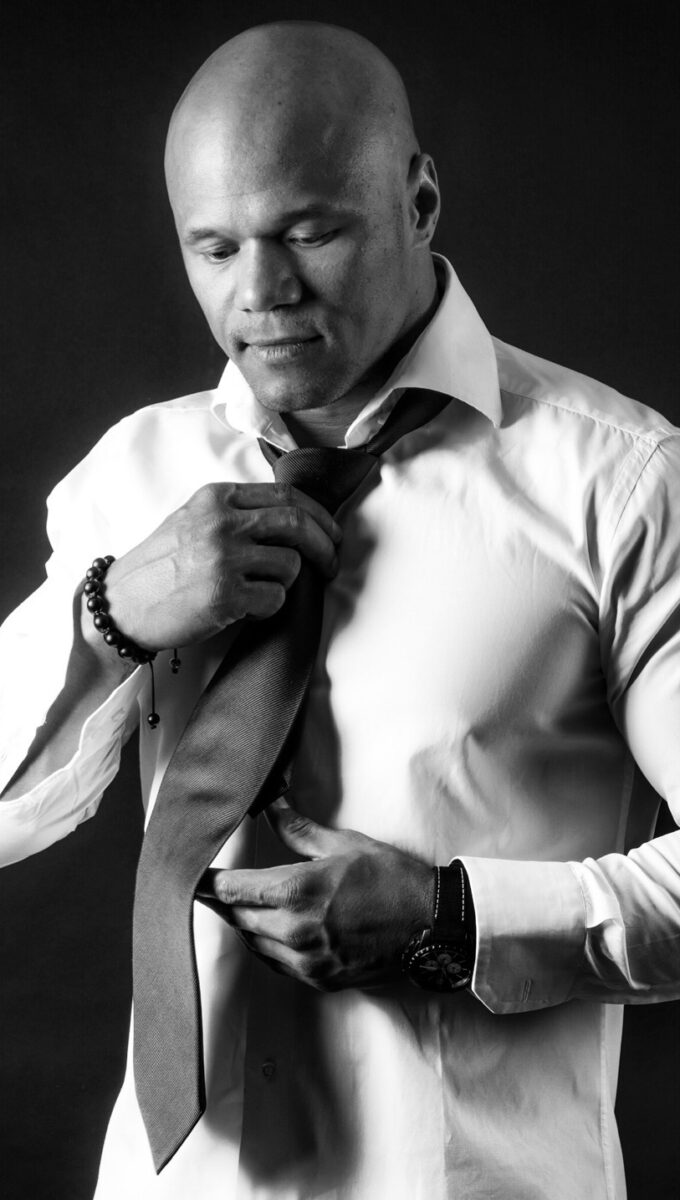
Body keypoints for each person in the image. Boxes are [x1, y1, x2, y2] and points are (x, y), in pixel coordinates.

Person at [1, 19, 679, 1200]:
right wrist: (110, 615)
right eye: (214, 248)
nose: (259, 293)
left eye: (308, 232)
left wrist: (457, 922)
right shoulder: (134, 477)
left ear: (418, 203)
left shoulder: (618, 482)